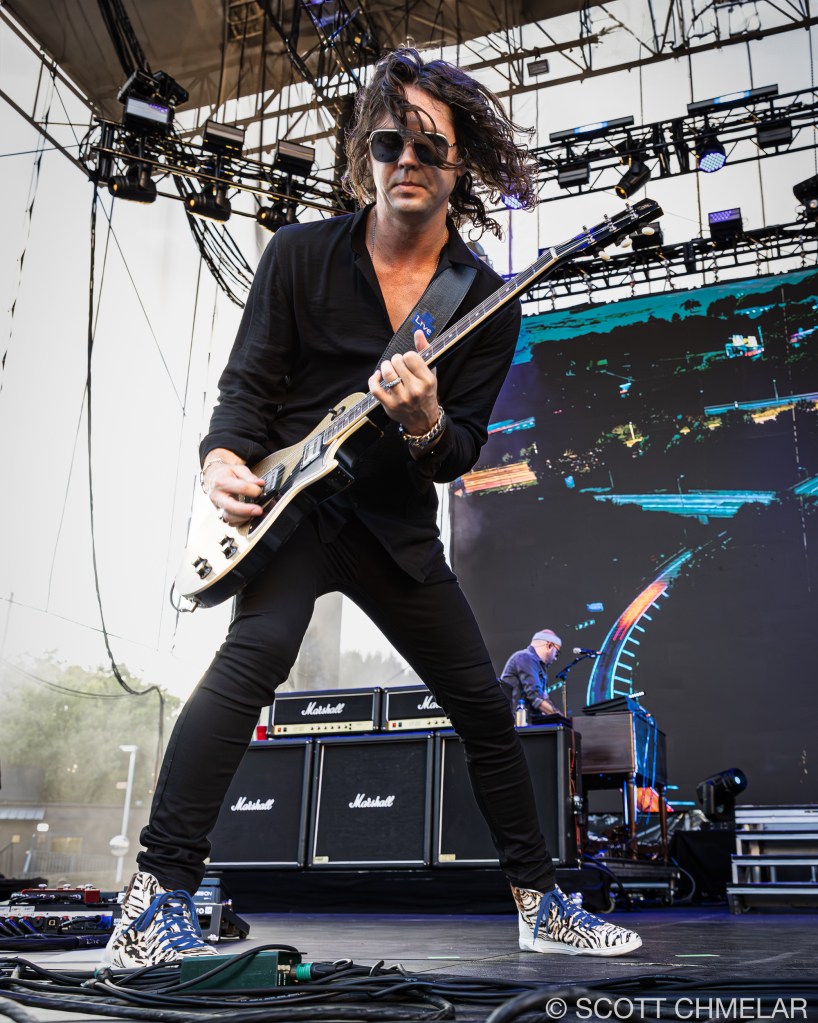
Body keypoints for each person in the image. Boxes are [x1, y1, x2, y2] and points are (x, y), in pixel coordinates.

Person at [104, 47, 641, 968]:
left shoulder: (484, 300)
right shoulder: (298, 255)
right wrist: (222, 457)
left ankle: (542, 904)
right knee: (251, 659)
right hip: (294, 515)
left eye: (429, 146)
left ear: (460, 162)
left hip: (393, 527)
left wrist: (426, 421)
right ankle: (153, 899)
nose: (408, 161)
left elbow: (457, 452)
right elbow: (246, 388)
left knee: (484, 705)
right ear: (367, 154)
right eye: (390, 143)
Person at [501, 629, 564, 720]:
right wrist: (561, 718)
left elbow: (543, 698)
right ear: (549, 645)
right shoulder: (525, 658)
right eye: (557, 653)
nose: (555, 658)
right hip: (516, 723)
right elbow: (536, 697)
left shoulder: (537, 665)